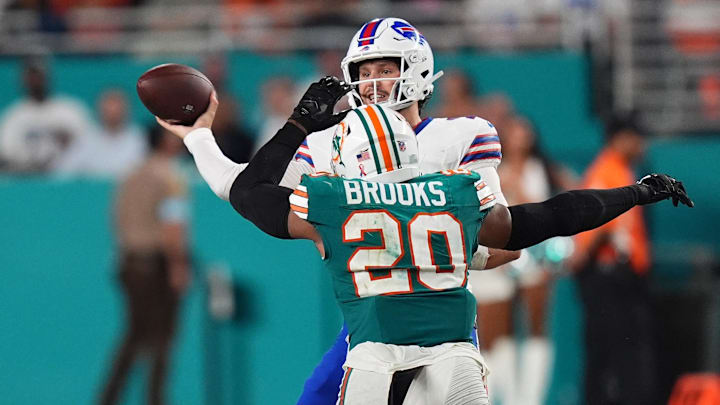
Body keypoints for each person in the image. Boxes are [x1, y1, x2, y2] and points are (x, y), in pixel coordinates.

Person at [159, 75, 692, 404]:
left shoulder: (333, 202)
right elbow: (546, 216)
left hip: (371, 359)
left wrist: (292, 124)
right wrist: (634, 194)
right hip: (453, 357)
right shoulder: (455, 192)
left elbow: (248, 191)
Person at [168, 17, 521, 404]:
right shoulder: (330, 144)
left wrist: (422, 251)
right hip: (367, 324)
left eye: (386, 70)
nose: (372, 82)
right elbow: (238, 187)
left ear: (417, 70)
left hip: (440, 326)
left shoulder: (461, 136)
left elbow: (506, 244)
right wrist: (198, 135)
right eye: (364, 71)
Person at [470, 115, 575, 405]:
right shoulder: (494, 171)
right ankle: (504, 396)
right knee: (498, 331)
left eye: (525, 133)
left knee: (535, 325)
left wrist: (520, 186)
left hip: (534, 255)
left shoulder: (541, 169)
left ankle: (530, 398)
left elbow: (543, 211)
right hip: (503, 256)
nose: (520, 138)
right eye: (514, 133)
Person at [569, 113, 658, 405]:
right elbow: (596, 230)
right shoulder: (607, 171)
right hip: (608, 278)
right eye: (636, 137)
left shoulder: (620, 170)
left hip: (619, 278)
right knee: (613, 357)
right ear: (620, 138)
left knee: (617, 355)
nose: (641, 143)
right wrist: (584, 259)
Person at [99, 125, 191, 405]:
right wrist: (178, 265)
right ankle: (155, 399)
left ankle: (108, 397)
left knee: (134, 336)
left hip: (128, 263)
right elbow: (173, 225)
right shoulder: (171, 176)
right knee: (162, 340)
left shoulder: (130, 175)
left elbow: (116, 218)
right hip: (157, 267)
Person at [0, 58, 93, 173]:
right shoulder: (13, 116)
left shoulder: (71, 110)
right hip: (28, 181)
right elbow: (6, 155)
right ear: (23, 80)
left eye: (38, 76)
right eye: (31, 77)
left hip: (67, 181)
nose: (35, 81)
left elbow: (91, 147)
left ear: (47, 77)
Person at [54, 89, 147, 178]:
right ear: (99, 108)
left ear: (127, 108)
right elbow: (64, 172)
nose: (113, 111)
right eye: (109, 105)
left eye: (117, 105)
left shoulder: (139, 137)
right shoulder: (86, 138)